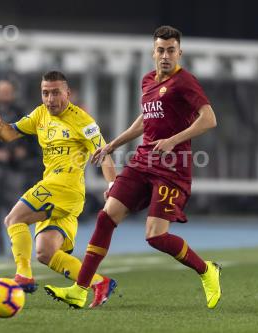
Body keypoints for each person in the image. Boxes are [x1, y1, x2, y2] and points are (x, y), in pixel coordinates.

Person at [45, 26, 221, 309]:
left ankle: (206, 270)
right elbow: (145, 119)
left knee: (156, 236)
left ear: (179, 52)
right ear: (153, 52)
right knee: (106, 217)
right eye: (161, 50)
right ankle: (80, 290)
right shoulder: (148, 80)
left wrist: (173, 140)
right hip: (143, 161)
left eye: (171, 50)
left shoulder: (185, 82)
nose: (165, 56)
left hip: (171, 168)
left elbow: (209, 119)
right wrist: (112, 145)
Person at [0, 71, 118, 307]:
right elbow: (8, 133)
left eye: (56, 93)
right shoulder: (40, 114)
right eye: (45, 93)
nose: (50, 99)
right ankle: (99, 282)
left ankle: (23, 275)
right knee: (45, 252)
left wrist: (112, 185)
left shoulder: (83, 121)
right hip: (60, 193)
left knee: (13, 219)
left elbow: (104, 154)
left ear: (68, 93)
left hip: (65, 186)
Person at [0, 80, 41, 256]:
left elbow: (33, 138)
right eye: (1, 92)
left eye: (8, 92)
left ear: (13, 94)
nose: (5, 95)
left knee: (16, 208)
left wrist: (24, 151)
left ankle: (18, 245)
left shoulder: (21, 113)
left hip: (15, 168)